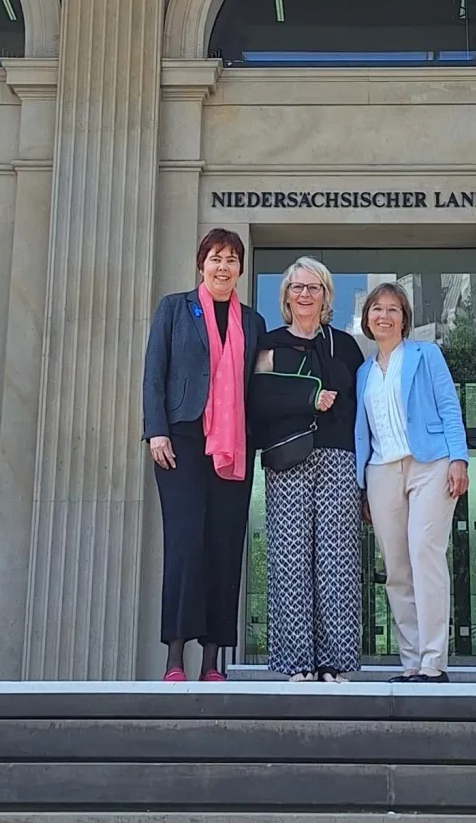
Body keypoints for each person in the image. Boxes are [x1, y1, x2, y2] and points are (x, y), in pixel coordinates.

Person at [142, 228, 266, 682]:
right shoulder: (175, 308)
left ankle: (212, 663)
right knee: (185, 544)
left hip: (234, 446)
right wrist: (156, 431)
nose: (223, 266)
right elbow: (154, 373)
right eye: (216, 257)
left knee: (224, 547)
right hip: (182, 440)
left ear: (240, 268)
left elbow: (260, 389)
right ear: (201, 264)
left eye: (232, 259)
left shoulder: (252, 322)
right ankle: (175, 659)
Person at [248, 257, 365, 682]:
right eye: (297, 288)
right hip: (286, 458)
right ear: (285, 296)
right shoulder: (270, 343)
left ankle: (335, 664)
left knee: (337, 559)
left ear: (326, 295)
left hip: (338, 456)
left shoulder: (346, 346)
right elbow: (259, 398)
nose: (304, 295)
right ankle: (296, 665)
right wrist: (307, 400)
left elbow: (359, 406)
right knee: (289, 558)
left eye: (313, 288)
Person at [354, 281, 469, 683]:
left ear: (404, 319)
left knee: (425, 553)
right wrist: (360, 487)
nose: (384, 316)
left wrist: (459, 458)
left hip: (430, 463)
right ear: (367, 319)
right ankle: (410, 662)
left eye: (393, 309)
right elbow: (361, 433)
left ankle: (434, 661)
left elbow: (449, 407)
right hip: (381, 470)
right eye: (376, 309)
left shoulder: (426, 354)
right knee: (398, 569)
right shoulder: (363, 372)